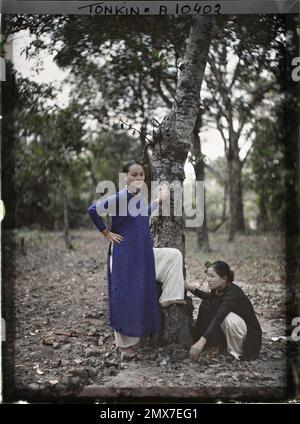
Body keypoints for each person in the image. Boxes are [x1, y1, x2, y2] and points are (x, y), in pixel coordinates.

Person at [88, 161, 185, 359]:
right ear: (125, 177)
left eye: (141, 175)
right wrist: (106, 234)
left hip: (142, 254)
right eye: (134, 175)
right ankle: (125, 347)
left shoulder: (138, 198)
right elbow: (93, 209)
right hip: (124, 256)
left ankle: (168, 297)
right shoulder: (121, 196)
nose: (139, 178)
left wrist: (157, 201)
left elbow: (142, 215)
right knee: (124, 297)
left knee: (174, 255)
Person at [185, 261, 262, 362]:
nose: (208, 280)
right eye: (207, 276)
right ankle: (213, 343)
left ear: (224, 278)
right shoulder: (218, 288)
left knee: (226, 317)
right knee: (206, 305)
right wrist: (191, 289)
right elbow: (210, 298)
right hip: (236, 331)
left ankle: (237, 353)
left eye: (212, 276)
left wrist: (202, 340)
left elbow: (219, 316)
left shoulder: (233, 293)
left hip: (249, 338)